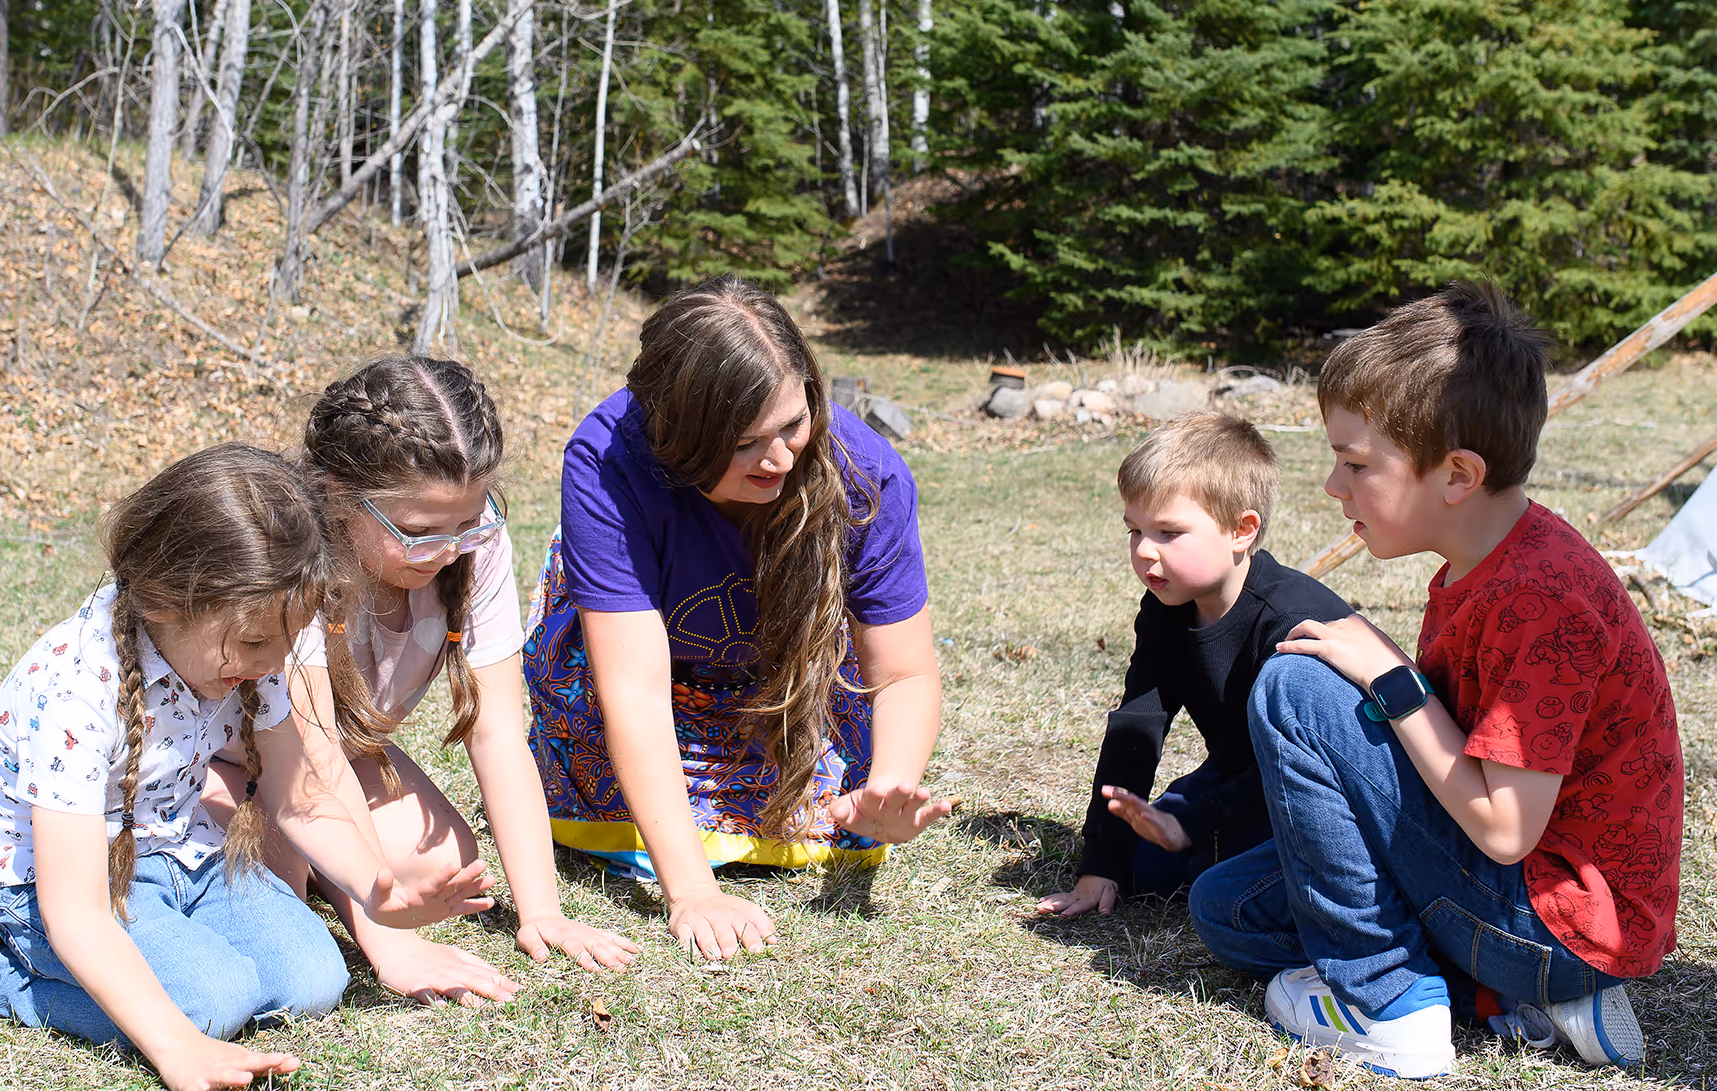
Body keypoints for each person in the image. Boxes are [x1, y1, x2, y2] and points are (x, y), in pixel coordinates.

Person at [1189, 283, 1683, 1078]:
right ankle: (1498, 999)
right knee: (1228, 910)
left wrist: (1391, 678)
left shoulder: (1540, 599)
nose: (1334, 487)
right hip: (1529, 904)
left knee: (1296, 692)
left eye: (1354, 463)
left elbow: (1504, 829)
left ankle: (1389, 1009)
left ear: (1457, 474)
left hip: (1559, 921)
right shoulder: (1494, 555)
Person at [0, 444, 496, 1091]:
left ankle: (172, 951)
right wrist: (177, 1047)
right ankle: (5, 970)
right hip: (53, 884)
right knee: (207, 1005)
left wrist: (379, 889)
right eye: (256, 643)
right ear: (165, 600)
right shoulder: (73, 688)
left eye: (285, 644)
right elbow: (77, 911)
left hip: (179, 848)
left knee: (314, 978)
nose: (270, 663)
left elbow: (299, 797)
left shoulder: (254, 654)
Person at [527, 275, 954, 960]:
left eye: (794, 423)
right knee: (601, 791)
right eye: (749, 442)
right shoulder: (607, 460)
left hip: (777, 675)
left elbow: (903, 671)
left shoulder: (868, 472)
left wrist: (888, 785)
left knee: (839, 810)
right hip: (650, 671)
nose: (783, 458)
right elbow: (631, 693)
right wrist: (692, 890)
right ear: (677, 438)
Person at [205, 356, 638, 1003]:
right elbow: (307, 766)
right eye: (416, 532)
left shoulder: (476, 546)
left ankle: (329, 872)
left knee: (442, 870)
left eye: (467, 523)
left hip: (331, 762)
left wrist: (540, 911)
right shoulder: (294, 560)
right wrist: (392, 942)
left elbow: (496, 735)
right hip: (229, 760)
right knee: (284, 920)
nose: (447, 551)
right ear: (335, 495)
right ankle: (292, 875)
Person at [1037, 413, 1350, 917]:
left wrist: (1198, 821)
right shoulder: (1167, 606)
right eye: (1134, 530)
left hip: (1321, 796)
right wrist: (1103, 862)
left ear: (1241, 531)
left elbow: (1320, 767)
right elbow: (1138, 725)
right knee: (1142, 864)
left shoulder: (1290, 623)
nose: (1144, 552)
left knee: (1222, 888)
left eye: (1169, 532)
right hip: (1235, 781)